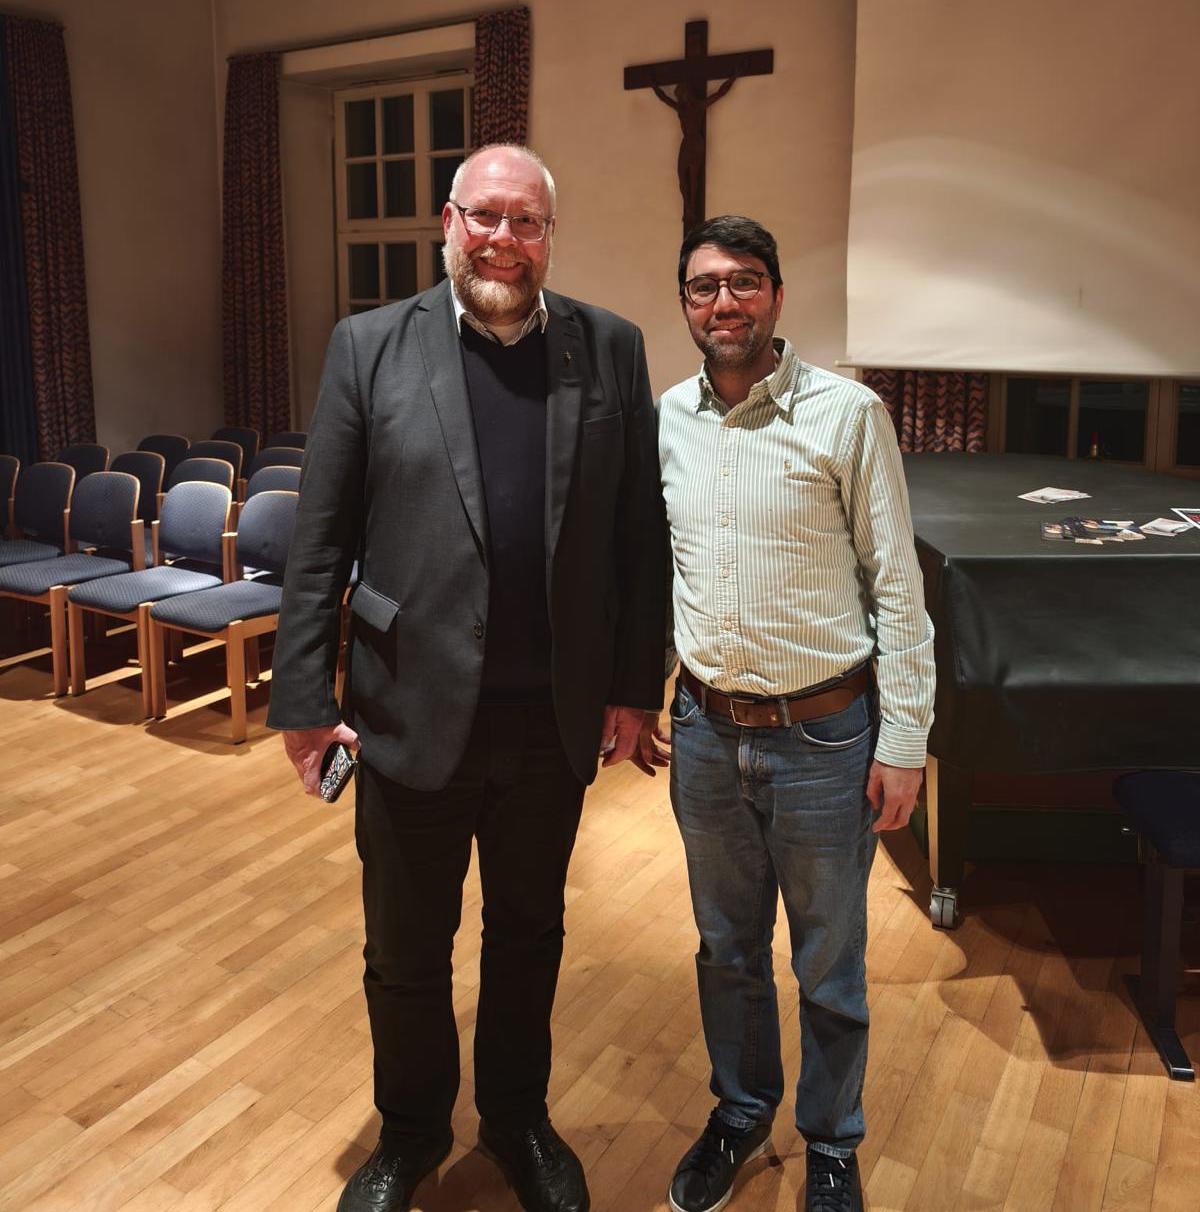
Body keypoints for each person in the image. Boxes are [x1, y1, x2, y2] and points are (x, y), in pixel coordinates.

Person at [267, 144, 667, 1212]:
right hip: (408, 712)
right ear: (448, 222)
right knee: (405, 953)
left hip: (550, 723)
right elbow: (320, 541)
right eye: (485, 217)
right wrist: (303, 702)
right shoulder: (369, 347)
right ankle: (408, 1135)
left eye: (526, 222)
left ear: (549, 236)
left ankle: (517, 1120)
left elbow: (639, 537)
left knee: (530, 937)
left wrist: (636, 688)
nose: (504, 240)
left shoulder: (610, 347)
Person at [654, 215, 935, 1212]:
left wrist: (906, 740)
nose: (723, 302)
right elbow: (663, 572)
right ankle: (740, 1111)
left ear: (776, 295)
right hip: (705, 735)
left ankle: (831, 1142)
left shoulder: (849, 415)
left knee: (829, 963)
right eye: (704, 286)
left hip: (825, 738)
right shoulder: (667, 419)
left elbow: (896, 586)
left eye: (744, 282)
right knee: (725, 951)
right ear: (686, 304)